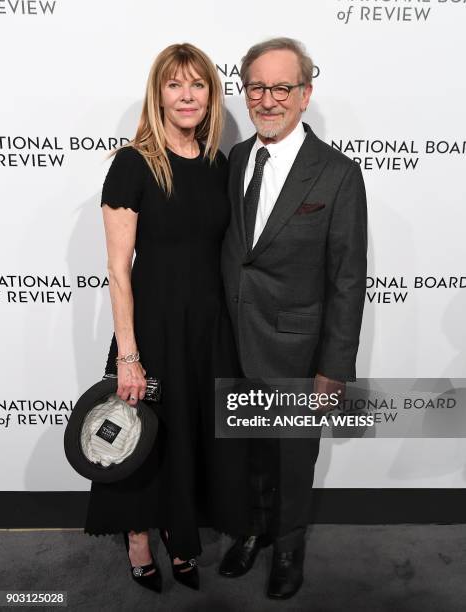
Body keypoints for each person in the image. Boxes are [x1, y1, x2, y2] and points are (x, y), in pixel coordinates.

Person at [83, 42, 241, 594]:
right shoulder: (133, 165)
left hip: (207, 329)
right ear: (159, 94)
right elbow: (118, 270)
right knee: (145, 438)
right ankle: (138, 540)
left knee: (192, 437)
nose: (187, 95)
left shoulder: (221, 163)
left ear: (211, 93)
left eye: (197, 84)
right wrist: (129, 354)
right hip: (151, 328)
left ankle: (181, 534)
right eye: (175, 84)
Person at [219, 37, 367, 600]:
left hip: (299, 350)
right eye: (258, 87)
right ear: (246, 93)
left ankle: (288, 546)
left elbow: (348, 280)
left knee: (292, 455)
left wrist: (335, 369)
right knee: (248, 448)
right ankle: (253, 530)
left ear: (305, 95)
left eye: (283, 87)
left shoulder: (337, 174)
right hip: (235, 339)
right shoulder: (236, 160)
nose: (269, 99)